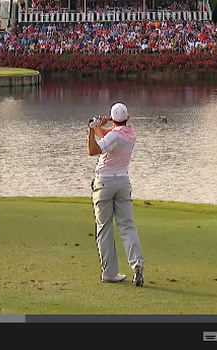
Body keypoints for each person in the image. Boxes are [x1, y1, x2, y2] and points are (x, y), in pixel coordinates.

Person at [86, 102, 145, 287]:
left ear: (112, 118)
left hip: (104, 183)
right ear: (127, 118)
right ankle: (137, 264)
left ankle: (110, 273)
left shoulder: (113, 136)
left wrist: (91, 130)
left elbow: (92, 150)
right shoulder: (130, 134)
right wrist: (99, 127)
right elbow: (107, 137)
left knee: (104, 228)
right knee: (127, 226)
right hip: (122, 182)